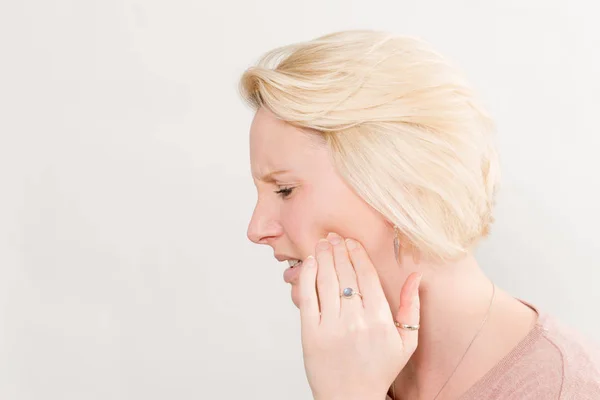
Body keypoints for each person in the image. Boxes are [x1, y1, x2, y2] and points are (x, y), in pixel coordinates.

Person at [238, 30, 600, 399]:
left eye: (284, 190)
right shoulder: (352, 359)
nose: (256, 229)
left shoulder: (566, 389)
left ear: (397, 185)